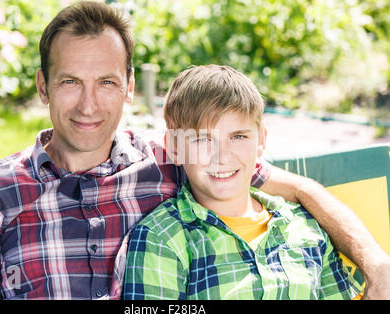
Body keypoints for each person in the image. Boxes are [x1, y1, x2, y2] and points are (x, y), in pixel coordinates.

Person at [0, 1, 388, 300]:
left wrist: (377, 264)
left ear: (131, 87)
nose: (89, 105)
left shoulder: (177, 158)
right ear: (43, 87)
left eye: (108, 83)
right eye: (70, 82)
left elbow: (301, 190)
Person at [123, 65, 363, 300]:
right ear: (175, 147)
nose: (223, 156)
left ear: (261, 141)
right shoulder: (162, 238)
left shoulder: (305, 227)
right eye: (203, 139)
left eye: (238, 136)